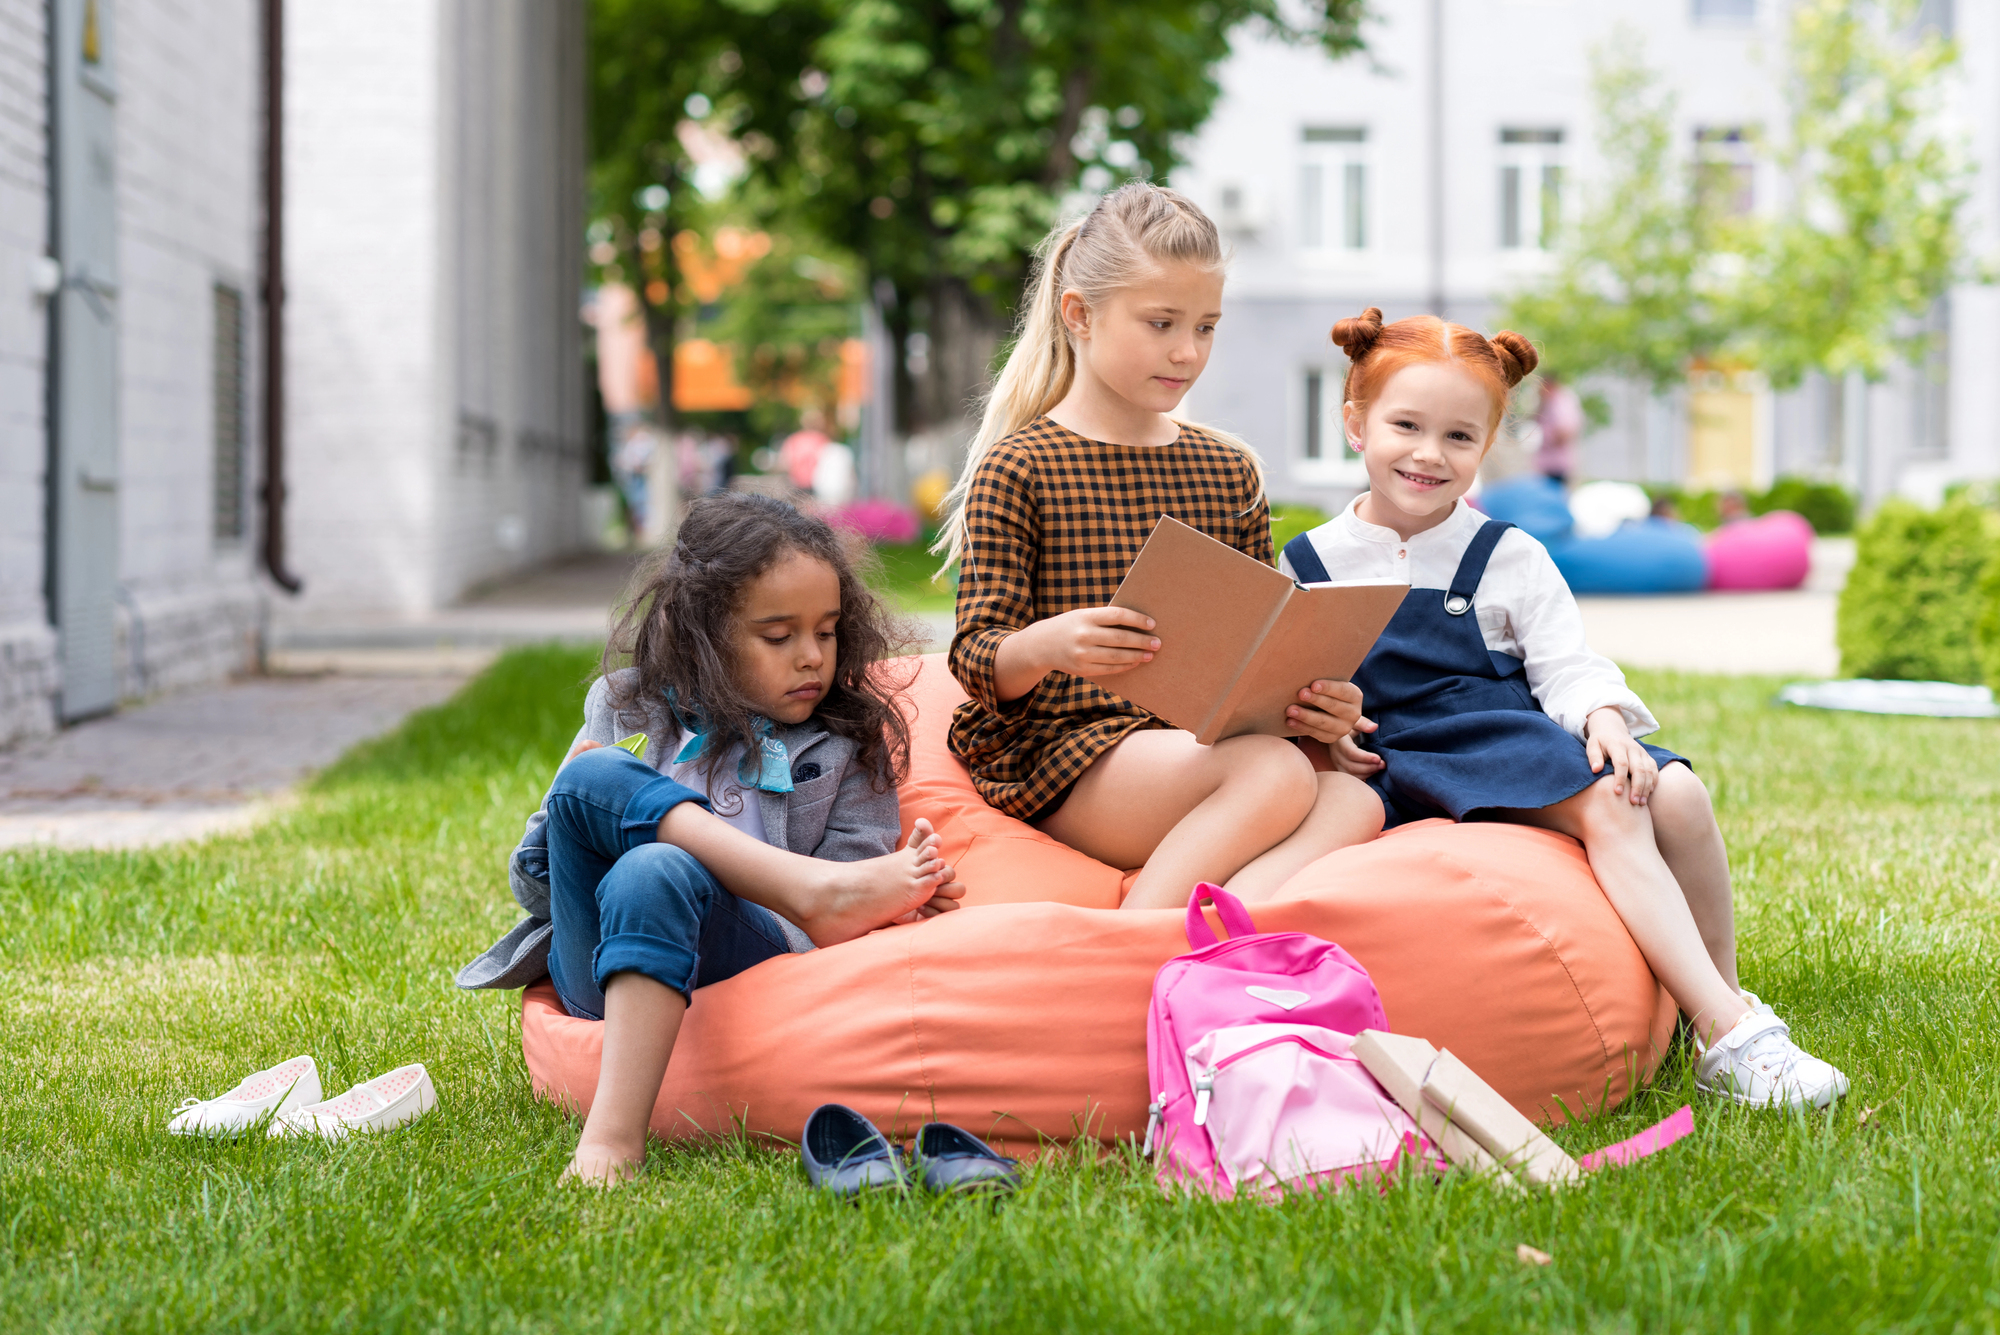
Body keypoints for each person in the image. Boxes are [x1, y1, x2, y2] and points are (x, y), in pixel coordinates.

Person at [1277, 307, 1847, 1109]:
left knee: (1675, 792)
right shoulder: (1307, 561)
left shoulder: (1507, 554)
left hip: (1489, 737)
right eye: (1406, 425)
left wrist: (1603, 716)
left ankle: (1723, 1007)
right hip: (1386, 759)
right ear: (1355, 423)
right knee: (1614, 801)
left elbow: (1565, 661)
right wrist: (1325, 729)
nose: (1428, 454)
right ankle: (1728, 1027)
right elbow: (1293, 688)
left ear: (1488, 444)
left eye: (1459, 437)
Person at [459, 493, 963, 1183]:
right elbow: (534, 888)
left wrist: (899, 897)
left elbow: (854, 897)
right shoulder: (624, 704)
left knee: (654, 866)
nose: (811, 657)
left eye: (826, 630)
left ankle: (610, 1143)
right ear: (705, 634)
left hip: (748, 965)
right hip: (601, 966)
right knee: (598, 784)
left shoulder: (843, 740)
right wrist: (565, 817)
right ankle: (793, 882)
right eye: (778, 636)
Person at [935, 182, 1383, 911]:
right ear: (1078, 314)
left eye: (1206, 327)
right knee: (1274, 774)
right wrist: (1051, 643)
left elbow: (1258, 645)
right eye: (1161, 323)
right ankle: (1140, 942)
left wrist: (1319, 701)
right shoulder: (1021, 465)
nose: (1188, 350)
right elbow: (976, 656)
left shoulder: (1227, 467)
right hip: (1066, 753)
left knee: (1354, 802)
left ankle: (1216, 938)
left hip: (1197, 749)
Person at [1534, 370, 1583, 486]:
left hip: (1556, 464)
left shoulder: (1560, 402)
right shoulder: (1549, 402)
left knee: (1553, 496)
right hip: (1549, 463)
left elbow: (1565, 430)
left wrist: (1550, 442)